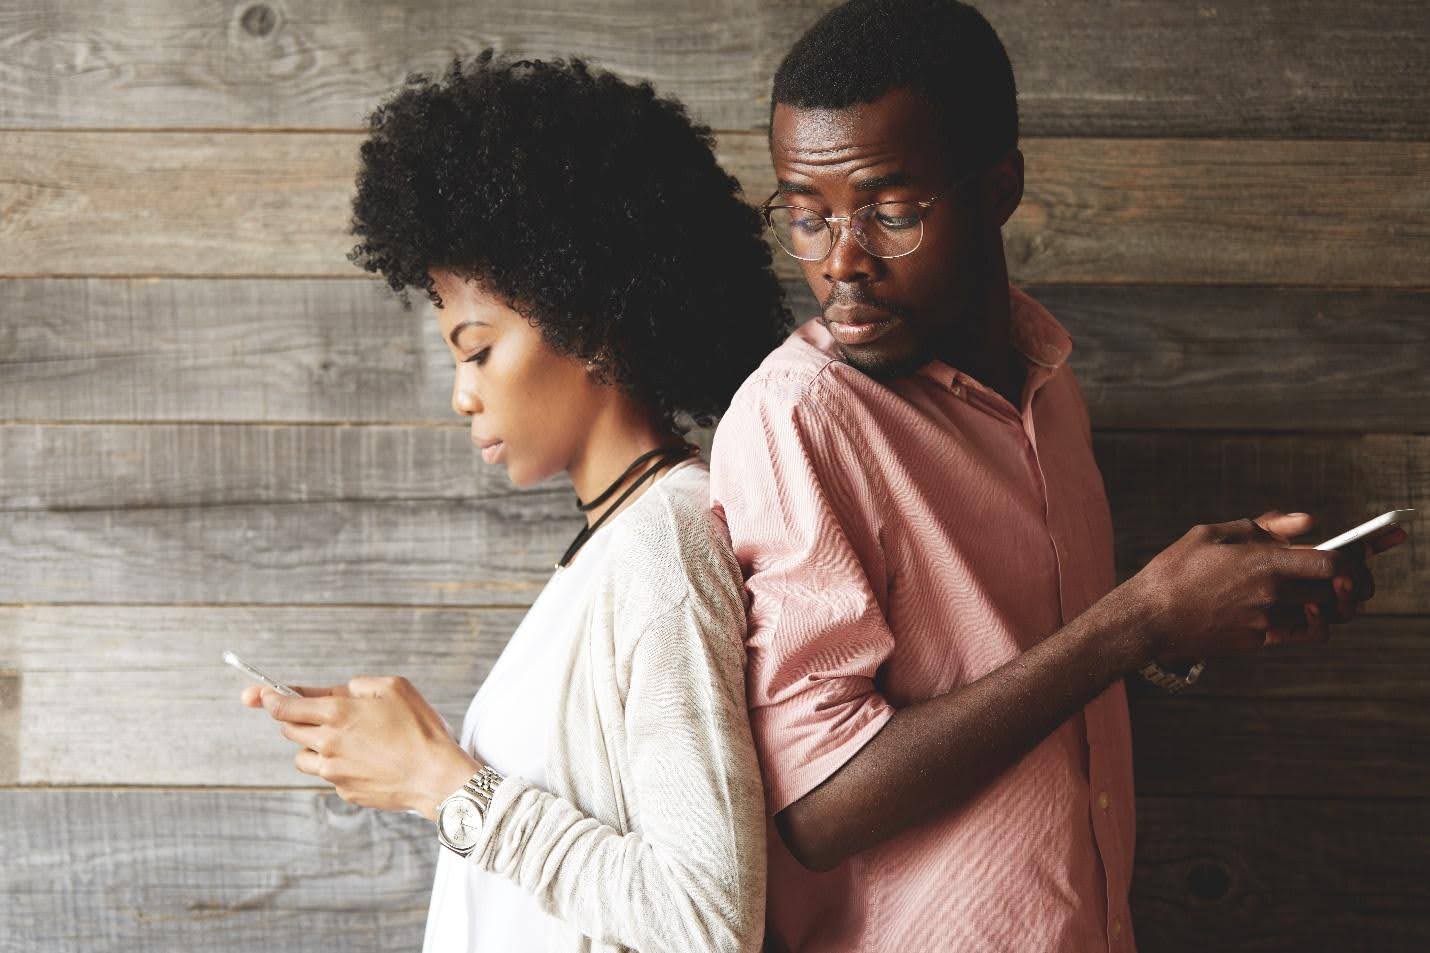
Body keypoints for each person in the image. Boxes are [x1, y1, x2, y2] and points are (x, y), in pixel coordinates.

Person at [707, 2, 1404, 950]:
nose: (841, 261)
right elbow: (817, 804)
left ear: (999, 187)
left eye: (893, 210)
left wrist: (1193, 617)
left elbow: (1031, 655)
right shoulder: (799, 417)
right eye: (807, 214)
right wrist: (1139, 618)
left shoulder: (1047, 381)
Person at [240, 51, 789, 953]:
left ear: (590, 320)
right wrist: (405, 760)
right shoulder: (611, 547)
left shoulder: (666, 542)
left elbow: (706, 919)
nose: (462, 393)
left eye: (479, 347)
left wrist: (441, 780)